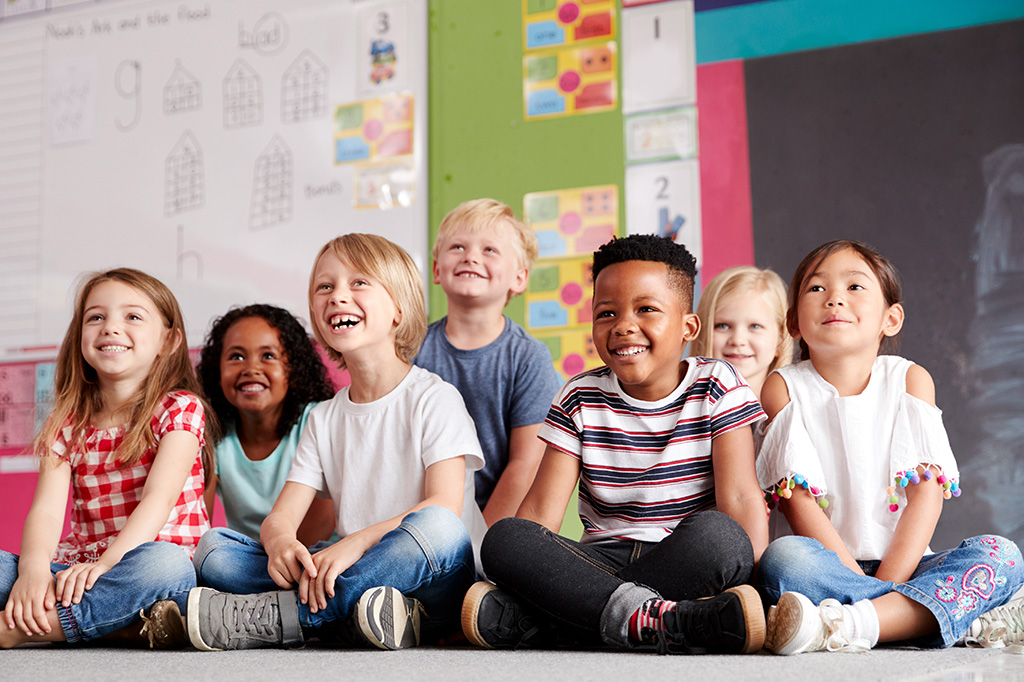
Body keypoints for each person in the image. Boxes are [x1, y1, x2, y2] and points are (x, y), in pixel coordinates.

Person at [462, 234, 769, 654]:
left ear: (688, 327)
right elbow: (539, 515)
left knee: (722, 537)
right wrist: (519, 562)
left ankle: (555, 624)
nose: (623, 325)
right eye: (606, 313)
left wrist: (761, 592)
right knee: (505, 539)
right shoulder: (579, 396)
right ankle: (671, 620)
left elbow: (740, 497)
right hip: (597, 562)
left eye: (646, 309)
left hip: (683, 557)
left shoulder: (718, 384)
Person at [185, 234, 486, 652]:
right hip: (355, 574)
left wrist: (354, 544)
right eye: (324, 287)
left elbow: (444, 509)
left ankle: (286, 618)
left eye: (358, 283)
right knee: (214, 550)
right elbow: (280, 518)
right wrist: (282, 545)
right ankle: (355, 617)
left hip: (433, 579)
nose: (337, 296)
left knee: (438, 528)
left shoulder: (434, 398)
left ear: (399, 309)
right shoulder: (324, 417)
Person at [756, 239, 1024, 654]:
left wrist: (890, 582)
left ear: (891, 318)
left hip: (909, 566)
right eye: (816, 289)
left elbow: (926, 496)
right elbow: (798, 502)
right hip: (826, 569)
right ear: (793, 323)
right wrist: (876, 590)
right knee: (784, 560)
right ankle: (928, 618)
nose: (834, 300)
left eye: (855, 287)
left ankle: (852, 622)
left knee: (1002, 554)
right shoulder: (783, 387)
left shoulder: (910, 380)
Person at [0, 268, 213, 650]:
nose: (110, 327)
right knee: (7, 570)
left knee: (165, 567)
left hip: (144, 567)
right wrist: (32, 571)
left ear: (169, 339)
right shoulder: (66, 421)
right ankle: (123, 625)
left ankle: (30, 627)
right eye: (96, 317)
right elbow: (47, 513)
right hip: (79, 571)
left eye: (132, 316)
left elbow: (158, 500)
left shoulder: (180, 409)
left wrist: (108, 565)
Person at [415, 199, 562, 525]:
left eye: (490, 250)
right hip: (422, 519)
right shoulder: (411, 349)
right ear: (437, 269)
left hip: (493, 524)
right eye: (457, 247)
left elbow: (524, 465)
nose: (471, 256)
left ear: (519, 278)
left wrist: (478, 546)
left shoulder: (528, 357)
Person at [195, 304, 335, 545]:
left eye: (268, 356)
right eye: (236, 357)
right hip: (250, 559)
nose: (251, 369)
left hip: (314, 552)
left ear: (294, 369)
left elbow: (322, 524)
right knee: (213, 553)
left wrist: (283, 560)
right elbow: (199, 521)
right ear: (217, 373)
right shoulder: (212, 435)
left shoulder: (318, 419)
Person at [690, 265, 793, 399]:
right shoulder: (684, 412)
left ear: (780, 340)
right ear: (701, 333)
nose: (738, 340)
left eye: (755, 326)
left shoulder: (797, 413)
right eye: (723, 326)